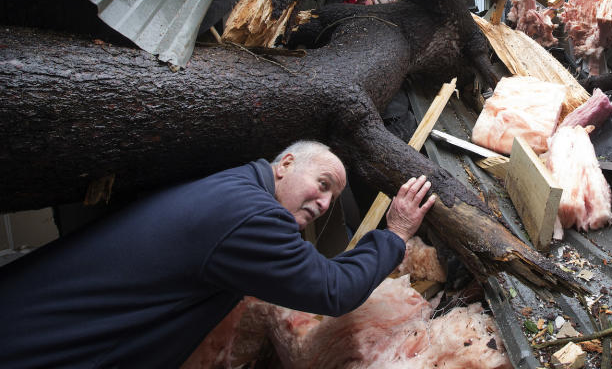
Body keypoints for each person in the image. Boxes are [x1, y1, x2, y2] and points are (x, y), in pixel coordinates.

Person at [0, 140, 436, 368]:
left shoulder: (235, 186)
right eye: (323, 183)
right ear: (284, 164)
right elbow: (332, 289)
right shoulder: (251, 217)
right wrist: (395, 232)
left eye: (332, 198)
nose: (324, 204)